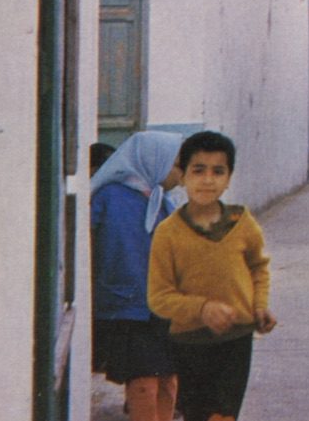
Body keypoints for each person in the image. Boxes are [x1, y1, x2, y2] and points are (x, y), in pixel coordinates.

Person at [147, 131, 276, 421]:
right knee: (199, 415)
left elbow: (258, 266)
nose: (208, 180)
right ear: (183, 176)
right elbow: (159, 297)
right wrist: (202, 308)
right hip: (190, 342)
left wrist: (259, 305)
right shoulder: (168, 233)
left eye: (218, 171)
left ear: (229, 177)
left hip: (237, 338)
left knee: (224, 416)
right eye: (198, 170)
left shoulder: (242, 222)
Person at [91, 131, 184, 421]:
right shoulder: (109, 198)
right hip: (129, 308)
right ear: (153, 160)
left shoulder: (163, 202)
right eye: (177, 165)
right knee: (144, 382)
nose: (180, 174)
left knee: (168, 379)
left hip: (163, 307)